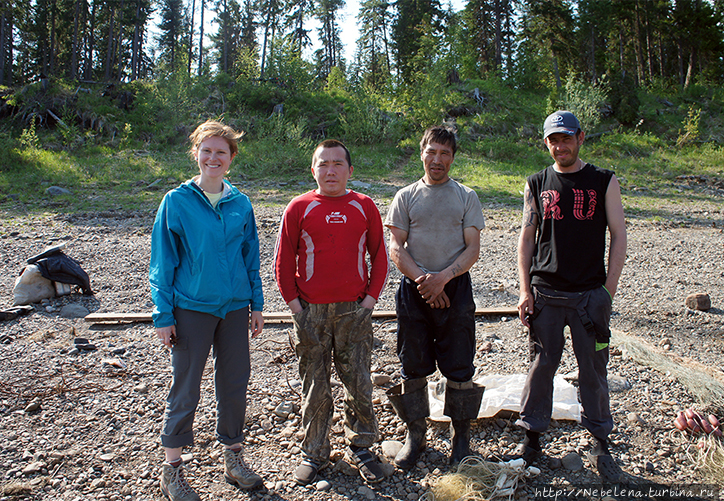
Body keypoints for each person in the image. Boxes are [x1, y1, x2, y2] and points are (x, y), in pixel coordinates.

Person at [149, 120, 265, 501]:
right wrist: (163, 316)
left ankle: (233, 457)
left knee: (234, 383)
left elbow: (251, 259)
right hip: (190, 309)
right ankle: (172, 469)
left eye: (222, 152)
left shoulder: (240, 203)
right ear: (196, 154)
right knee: (186, 387)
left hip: (234, 308)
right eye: (207, 150)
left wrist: (256, 306)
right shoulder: (176, 201)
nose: (213, 158)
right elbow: (162, 263)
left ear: (231, 158)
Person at [515, 110, 627, 483]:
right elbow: (526, 239)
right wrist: (524, 289)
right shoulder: (536, 183)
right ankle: (532, 438)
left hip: (588, 298)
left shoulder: (603, 180)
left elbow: (619, 237)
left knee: (593, 370)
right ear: (546, 142)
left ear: (580, 138)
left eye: (566, 138)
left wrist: (607, 292)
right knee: (541, 366)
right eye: (553, 140)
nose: (560, 146)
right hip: (546, 294)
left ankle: (600, 440)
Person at [274, 139, 390, 485]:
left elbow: (379, 257)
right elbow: (282, 263)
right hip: (311, 313)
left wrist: (368, 302)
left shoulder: (363, 206)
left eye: (338, 164)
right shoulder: (299, 207)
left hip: (353, 311)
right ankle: (314, 452)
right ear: (313, 170)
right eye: (323, 164)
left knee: (358, 382)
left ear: (350, 170)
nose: (330, 170)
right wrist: (297, 308)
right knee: (315, 385)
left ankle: (364, 448)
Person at [384, 126, 486, 469]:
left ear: (453, 157)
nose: (437, 160)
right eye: (432, 152)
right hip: (415, 289)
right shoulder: (406, 196)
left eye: (445, 153)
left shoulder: (466, 196)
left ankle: (462, 438)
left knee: (460, 364)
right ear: (422, 153)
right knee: (412, 363)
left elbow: (473, 248)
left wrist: (443, 278)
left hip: (455, 287)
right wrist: (424, 281)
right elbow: (396, 247)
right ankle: (416, 435)